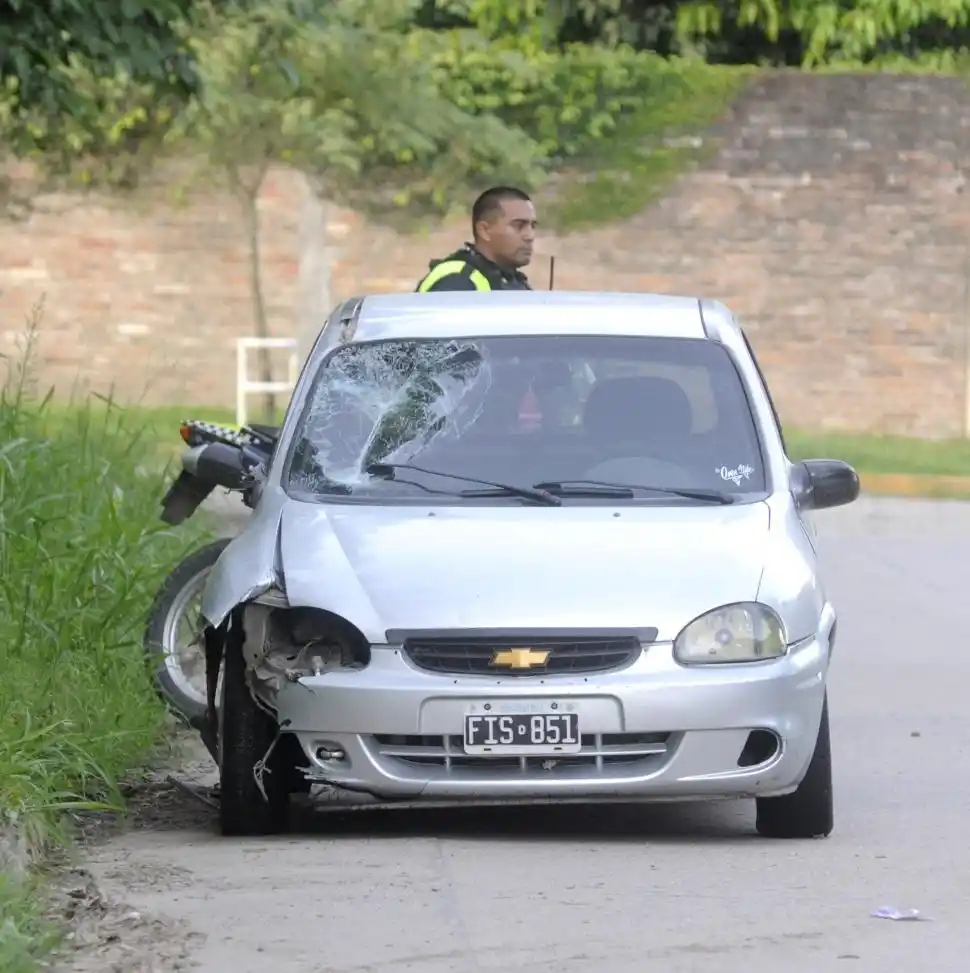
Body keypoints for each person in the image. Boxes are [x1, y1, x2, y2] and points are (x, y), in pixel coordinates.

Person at [415, 186, 537, 293]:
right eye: (519, 225)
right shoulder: (457, 281)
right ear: (484, 230)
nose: (530, 236)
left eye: (533, 226)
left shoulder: (513, 280)